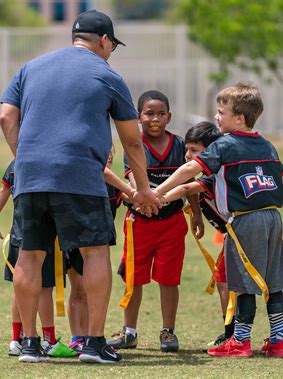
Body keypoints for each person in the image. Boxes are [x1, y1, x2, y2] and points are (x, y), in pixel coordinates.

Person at [0, 9, 161, 364]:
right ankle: (93, 343)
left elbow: (6, 116)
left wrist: (25, 157)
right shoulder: (106, 74)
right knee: (95, 252)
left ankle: (29, 344)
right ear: (102, 41)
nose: (109, 53)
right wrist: (144, 189)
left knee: (30, 254)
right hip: (80, 177)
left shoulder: (31, 67)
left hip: (32, 177)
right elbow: (132, 141)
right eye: (110, 46)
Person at [155, 83, 283, 358]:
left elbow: (191, 168)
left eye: (221, 112)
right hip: (273, 217)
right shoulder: (267, 145)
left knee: (243, 285)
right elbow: (282, 178)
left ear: (239, 118)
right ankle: (278, 342)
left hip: (245, 220)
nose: (217, 117)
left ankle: (240, 342)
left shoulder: (226, 145)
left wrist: (156, 191)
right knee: (273, 282)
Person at [107, 90, 204, 353]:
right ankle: (129, 332)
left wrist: (196, 213)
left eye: (161, 114)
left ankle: (168, 332)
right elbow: (131, 180)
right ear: (139, 117)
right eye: (149, 113)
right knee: (133, 279)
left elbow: (189, 182)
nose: (155, 119)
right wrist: (143, 198)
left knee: (169, 279)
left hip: (171, 222)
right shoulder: (134, 145)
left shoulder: (180, 145)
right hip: (139, 223)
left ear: (169, 116)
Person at [0, 161, 75, 359]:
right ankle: (49, 340)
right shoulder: (51, 160)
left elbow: (4, 190)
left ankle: (17, 340)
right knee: (43, 288)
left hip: (18, 235)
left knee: (21, 287)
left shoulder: (17, 162)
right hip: (43, 236)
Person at [159, 121, 235, 347]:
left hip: (241, 233)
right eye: (186, 150)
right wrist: (198, 216)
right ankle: (233, 332)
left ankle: (233, 334)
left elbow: (184, 188)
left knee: (226, 282)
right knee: (226, 281)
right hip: (235, 235)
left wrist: (155, 198)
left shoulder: (215, 174)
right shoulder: (208, 173)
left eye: (194, 150)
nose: (187, 155)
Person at [67, 149, 132, 354]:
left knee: (91, 291)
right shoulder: (81, 180)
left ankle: (90, 336)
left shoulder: (113, 186)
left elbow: (133, 198)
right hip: (75, 242)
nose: (109, 156)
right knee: (77, 290)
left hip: (97, 247)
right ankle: (77, 338)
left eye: (110, 153)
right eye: (105, 153)